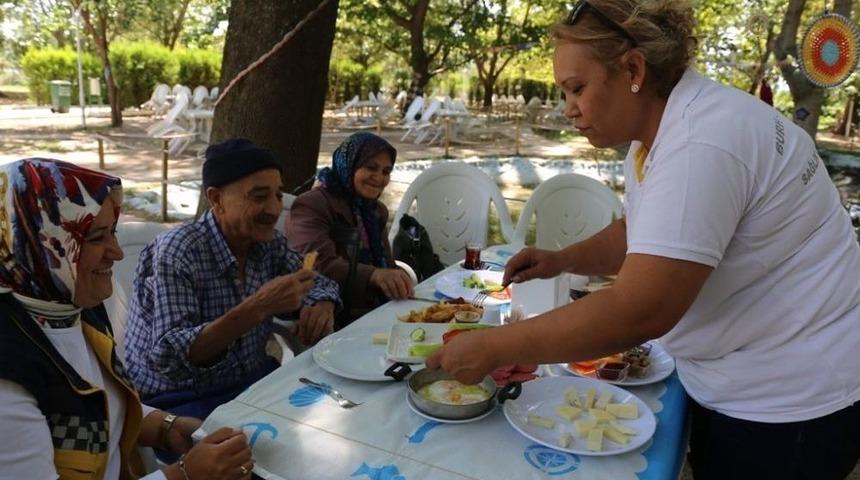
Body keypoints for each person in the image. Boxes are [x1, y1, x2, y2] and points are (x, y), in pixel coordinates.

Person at [426, 2, 860, 479]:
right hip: (748, 377)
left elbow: (640, 310)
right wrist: (561, 260)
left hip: (790, 400)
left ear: (633, 68)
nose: (568, 109)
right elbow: (642, 231)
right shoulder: (659, 132)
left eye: (577, 89)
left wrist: (495, 346)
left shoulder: (700, 143)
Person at [0, 158, 254, 480]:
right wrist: (186, 474)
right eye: (95, 237)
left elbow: (102, 409)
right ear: (39, 246)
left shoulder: (73, 306)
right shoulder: (8, 373)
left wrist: (165, 427)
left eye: (113, 233)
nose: (117, 252)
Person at [124, 139, 341, 421]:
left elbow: (318, 282)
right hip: (179, 401)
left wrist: (321, 303)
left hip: (252, 382)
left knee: (329, 420)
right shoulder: (178, 251)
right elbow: (171, 357)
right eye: (259, 196)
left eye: (277, 195)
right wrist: (258, 307)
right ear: (216, 199)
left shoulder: (268, 243)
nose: (274, 209)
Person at [287, 132, 414, 324]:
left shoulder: (375, 211)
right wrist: (374, 275)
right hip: (333, 313)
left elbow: (386, 265)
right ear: (349, 164)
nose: (379, 178)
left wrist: (398, 279)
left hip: (376, 309)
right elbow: (316, 265)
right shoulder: (312, 205)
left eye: (386, 171)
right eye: (371, 167)